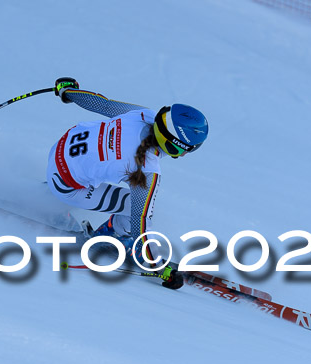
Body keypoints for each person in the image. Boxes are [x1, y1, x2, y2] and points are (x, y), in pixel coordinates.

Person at [46, 77, 209, 289]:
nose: (185, 154)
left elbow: (102, 104)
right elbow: (140, 222)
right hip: (64, 184)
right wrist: (159, 268)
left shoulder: (144, 115)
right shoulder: (145, 168)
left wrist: (67, 93)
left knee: (102, 171)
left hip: (60, 148)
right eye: (185, 149)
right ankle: (107, 237)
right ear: (172, 144)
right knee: (134, 206)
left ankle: (48, 195)